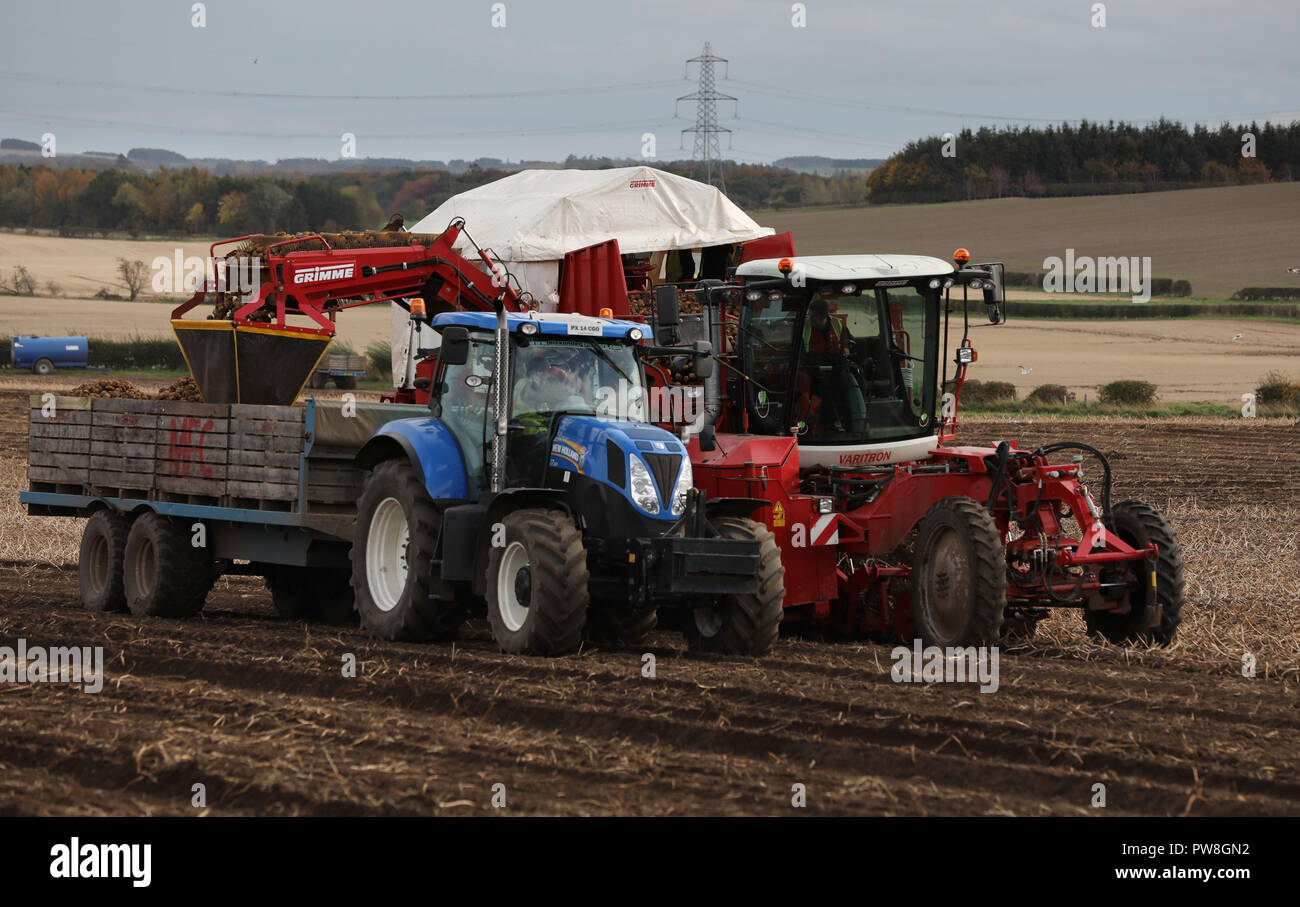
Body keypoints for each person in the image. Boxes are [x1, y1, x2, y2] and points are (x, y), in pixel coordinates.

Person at [800, 297, 851, 433]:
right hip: (812, 370)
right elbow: (798, 351)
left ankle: (852, 420)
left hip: (836, 368)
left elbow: (848, 347)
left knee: (849, 384)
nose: (811, 319)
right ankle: (830, 423)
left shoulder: (838, 325)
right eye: (810, 315)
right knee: (823, 389)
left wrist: (844, 354)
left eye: (814, 316)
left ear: (824, 316)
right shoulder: (803, 327)